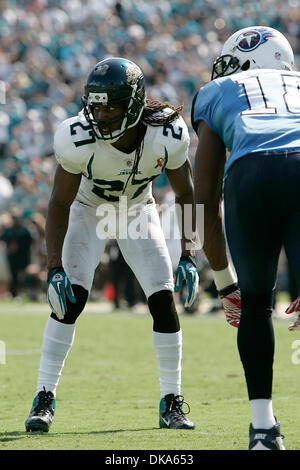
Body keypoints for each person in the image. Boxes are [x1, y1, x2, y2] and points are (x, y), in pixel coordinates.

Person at [25, 57, 198, 432]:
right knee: (70, 299)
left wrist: (189, 253)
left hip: (137, 210)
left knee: (163, 300)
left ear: (134, 105)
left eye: (110, 106)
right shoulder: (78, 138)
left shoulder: (165, 133)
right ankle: (44, 396)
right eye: (95, 105)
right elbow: (58, 203)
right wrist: (53, 266)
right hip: (91, 209)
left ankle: (172, 401)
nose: (100, 114)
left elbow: (186, 193)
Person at [192, 26, 300, 450]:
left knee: (256, 304)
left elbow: (202, 195)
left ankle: (262, 429)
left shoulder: (218, 90)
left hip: (251, 175)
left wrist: (223, 280)